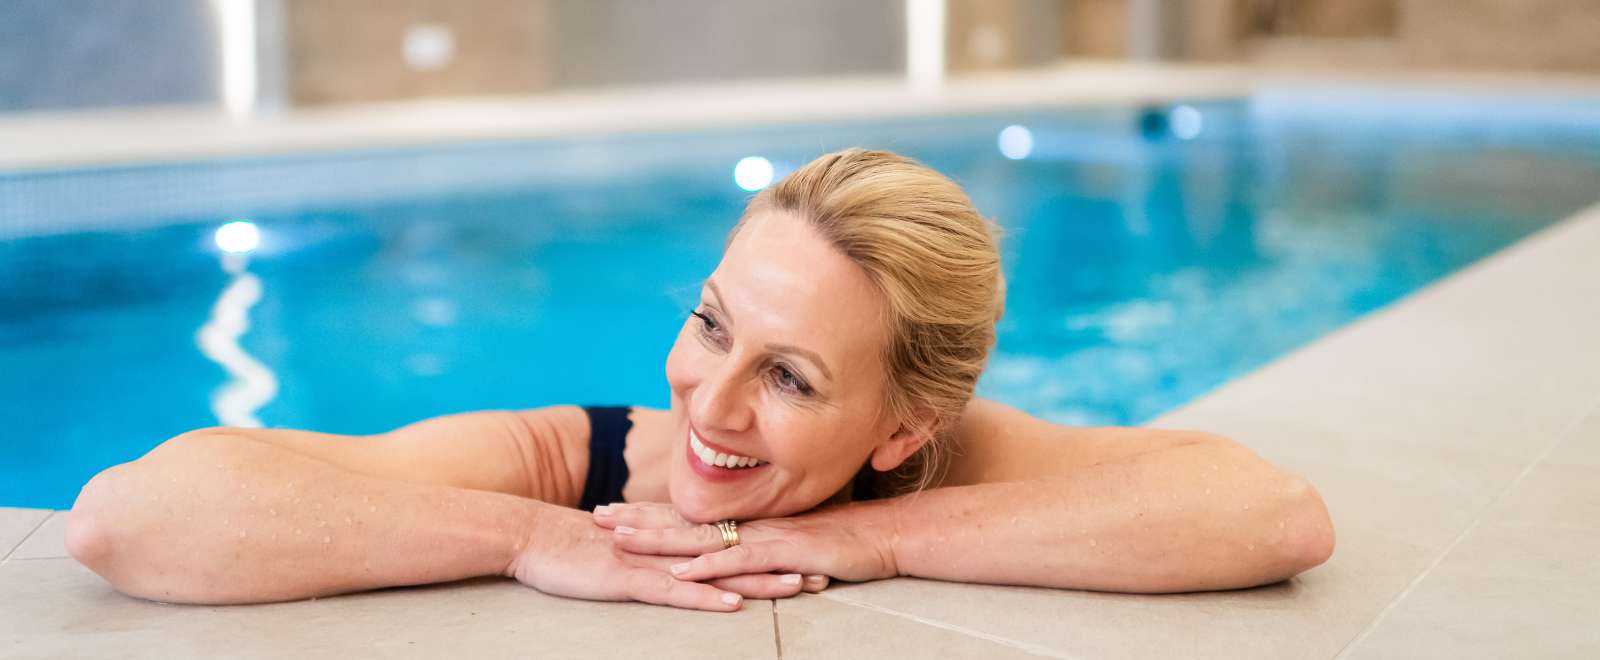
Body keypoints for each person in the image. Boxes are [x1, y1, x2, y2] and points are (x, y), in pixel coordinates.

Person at [65, 149, 1334, 613]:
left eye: (788, 376)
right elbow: (131, 517)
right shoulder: (578, 456)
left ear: (903, 427)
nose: (709, 408)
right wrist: (522, 539)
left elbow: (1270, 513)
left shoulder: (957, 457)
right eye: (711, 325)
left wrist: (874, 547)